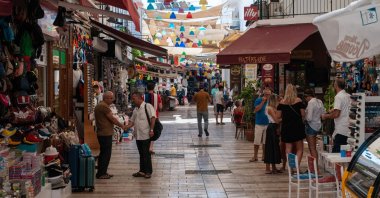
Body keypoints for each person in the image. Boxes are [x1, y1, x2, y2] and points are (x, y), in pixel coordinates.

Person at [94, 91, 127, 179]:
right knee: (106, 154)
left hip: (103, 132)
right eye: (111, 98)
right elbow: (113, 119)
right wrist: (122, 126)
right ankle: (101, 173)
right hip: (105, 133)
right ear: (106, 98)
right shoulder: (104, 107)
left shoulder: (101, 105)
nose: (113, 100)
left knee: (104, 153)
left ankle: (102, 172)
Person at [126, 92, 156, 179]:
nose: (133, 100)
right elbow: (132, 121)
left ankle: (148, 171)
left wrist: (151, 130)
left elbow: (153, 118)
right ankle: (142, 171)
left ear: (140, 98)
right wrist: (125, 127)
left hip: (146, 134)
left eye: (134, 98)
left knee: (146, 154)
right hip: (138, 135)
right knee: (141, 153)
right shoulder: (136, 109)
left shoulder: (148, 106)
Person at [277, 84, 306, 167]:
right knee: (299, 149)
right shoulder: (298, 101)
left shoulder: (281, 103)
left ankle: (291, 167)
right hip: (297, 127)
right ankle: (296, 167)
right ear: (294, 91)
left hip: (286, 128)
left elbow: (278, 116)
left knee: (288, 148)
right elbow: (303, 114)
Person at [322, 77, 351, 153]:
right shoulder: (348, 96)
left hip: (341, 130)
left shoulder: (338, 97)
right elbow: (344, 108)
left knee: (337, 154)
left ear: (336, 85)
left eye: (334, 83)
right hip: (348, 129)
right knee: (345, 154)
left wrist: (325, 116)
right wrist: (332, 110)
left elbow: (336, 114)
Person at [250, 88, 271, 162]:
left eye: (269, 94)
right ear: (263, 94)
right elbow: (256, 109)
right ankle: (255, 156)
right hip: (259, 123)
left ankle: (264, 156)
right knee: (257, 141)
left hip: (268, 123)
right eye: (266, 94)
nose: (268, 96)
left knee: (265, 141)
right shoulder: (258, 100)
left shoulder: (271, 101)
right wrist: (263, 102)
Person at [304, 89, 325, 163]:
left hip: (311, 126)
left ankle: (315, 168)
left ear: (307, 97)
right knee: (314, 148)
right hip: (317, 125)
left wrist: (304, 116)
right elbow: (323, 114)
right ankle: (314, 167)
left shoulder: (310, 102)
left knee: (312, 148)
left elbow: (309, 118)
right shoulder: (319, 101)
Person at [264, 94, 282, 174]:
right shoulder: (270, 108)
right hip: (272, 127)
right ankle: (268, 168)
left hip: (273, 127)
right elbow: (276, 120)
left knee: (274, 146)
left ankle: (274, 167)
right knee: (270, 147)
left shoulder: (272, 108)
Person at [144, 82, 163, 154]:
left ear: (147, 88)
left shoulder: (143, 96)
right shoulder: (157, 96)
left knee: (146, 131)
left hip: (145, 117)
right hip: (155, 117)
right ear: (154, 88)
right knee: (153, 132)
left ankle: (146, 146)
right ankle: (151, 148)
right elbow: (160, 107)